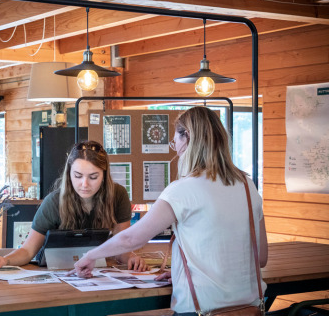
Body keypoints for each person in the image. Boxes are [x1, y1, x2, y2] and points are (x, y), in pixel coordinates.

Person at [72, 107, 268, 315]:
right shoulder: (247, 185)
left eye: (176, 143)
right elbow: (261, 257)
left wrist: (91, 256)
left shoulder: (183, 189)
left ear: (188, 138)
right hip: (250, 308)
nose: (176, 150)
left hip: (201, 310)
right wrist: (183, 273)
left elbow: (132, 239)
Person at [0, 140, 148, 271]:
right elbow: (28, 251)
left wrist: (131, 257)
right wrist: (5, 261)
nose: (84, 184)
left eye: (93, 177)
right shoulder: (53, 202)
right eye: (78, 176)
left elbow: (121, 246)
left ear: (104, 175)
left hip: (97, 272)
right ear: (69, 174)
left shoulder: (118, 195)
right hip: (57, 274)